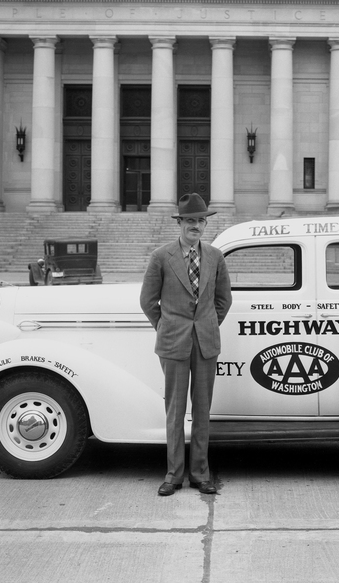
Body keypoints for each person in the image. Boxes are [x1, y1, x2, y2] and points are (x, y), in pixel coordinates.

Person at [140, 193, 232, 496]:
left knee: (203, 410)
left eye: (200, 220)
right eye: (190, 220)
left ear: (206, 224)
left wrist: (205, 325)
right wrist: (167, 326)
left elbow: (223, 300)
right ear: (180, 223)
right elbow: (147, 301)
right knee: (175, 410)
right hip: (173, 343)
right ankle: (173, 475)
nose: (196, 225)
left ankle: (200, 474)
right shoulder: (161, 256)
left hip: (205, 342)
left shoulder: (215, 256)